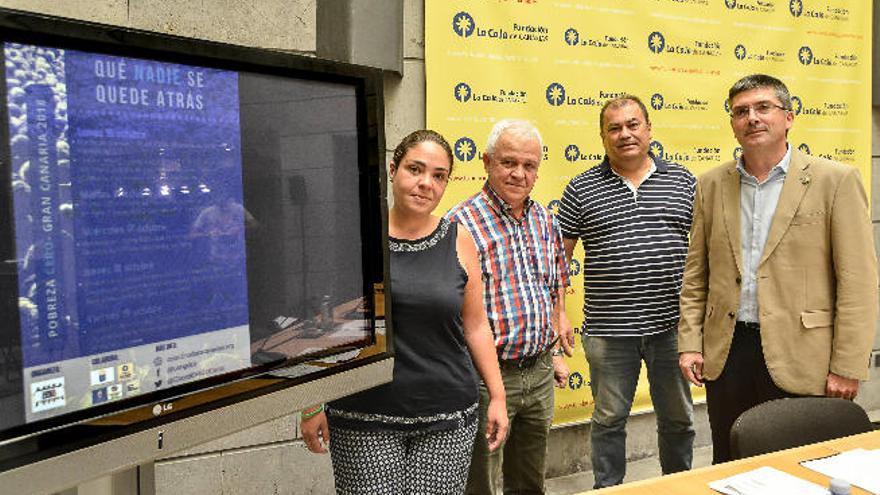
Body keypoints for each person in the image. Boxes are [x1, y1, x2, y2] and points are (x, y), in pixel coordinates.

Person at [678, 74, 879, 463]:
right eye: (741, 112)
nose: (752, 118)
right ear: (733, 124)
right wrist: (690, 342)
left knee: (800, 467)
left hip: (805, 356)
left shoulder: (834, 181)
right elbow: (696, 275)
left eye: (763, 107)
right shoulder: (710, 185)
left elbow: (858, 283)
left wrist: (848, 366)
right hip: (728, 353)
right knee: (731, 460)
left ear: (788, 117)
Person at [300, 130, 508, 494]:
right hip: (362, 416)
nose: (426, 183)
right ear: (392, 170)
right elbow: (322, 325)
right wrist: (309, 403)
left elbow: (476, 326)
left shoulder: (459, 241)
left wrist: (498, 397)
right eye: (415, 169)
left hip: (446, 418)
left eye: (439, 175)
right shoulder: (356, 238)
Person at [556, 95, 696, 488]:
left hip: (671, 328)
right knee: (608, 420)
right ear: (602, 137)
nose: (625, 134)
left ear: (648, 129)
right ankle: (609, 488)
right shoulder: (581, 189)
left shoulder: (683, 182)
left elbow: (704, 256)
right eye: (614, 128)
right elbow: (557, 262)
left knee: (679, 419)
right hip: (608, 331)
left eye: (633, 125)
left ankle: (677, 485)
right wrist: (559, 312)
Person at [447, 119, 573, 495]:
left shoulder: (544, 219)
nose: (519, 173)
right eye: (508, 162)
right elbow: (451, 311)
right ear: (486, 162)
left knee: (530, 482)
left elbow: (551, 286)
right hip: (485, 377)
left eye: (529, 165)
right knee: (480, 483)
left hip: (539, 373)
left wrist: (554, 351)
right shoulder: (459, 224)